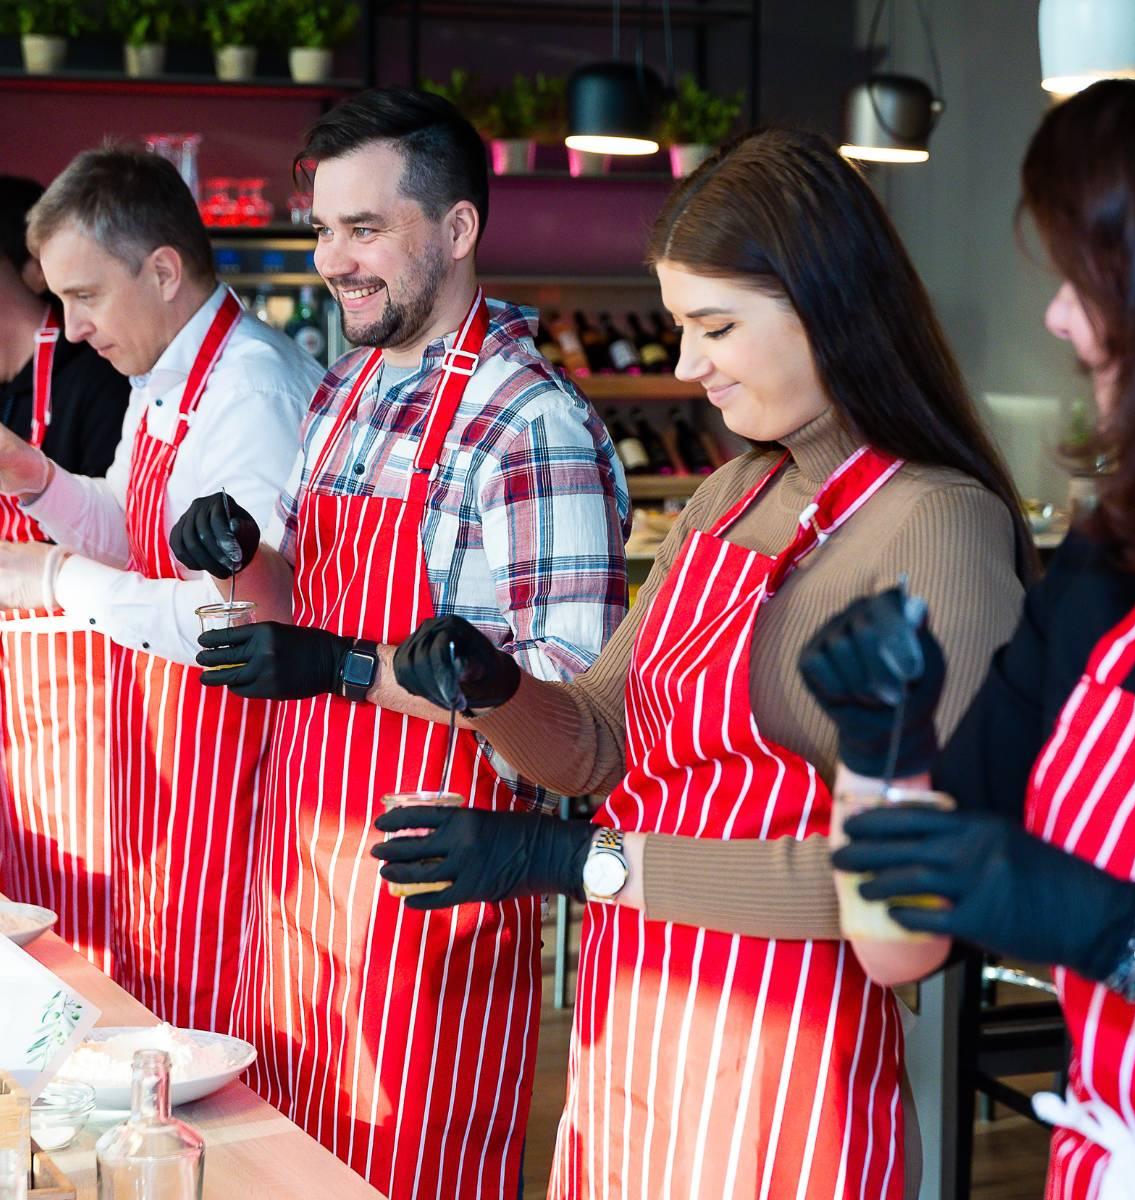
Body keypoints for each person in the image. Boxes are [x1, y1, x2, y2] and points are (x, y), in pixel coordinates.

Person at [370, 128, 1033, 1199]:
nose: (687, 368)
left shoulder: (939, 527)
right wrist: (493, 689)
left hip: (787, 1058)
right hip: (640, 1012)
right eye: (679, 329)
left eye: (715, 327)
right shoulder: (733, 496)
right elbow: (597, 738)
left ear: (829, 304)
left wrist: (576, 863)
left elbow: (911, 889)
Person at [168, 89, 629, 1198]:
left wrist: (339, 666)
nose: (335, 260)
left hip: (432, 895)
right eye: (324, 229)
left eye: (365, 229)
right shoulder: (350, 385)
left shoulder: (531, 422)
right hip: (304, 874)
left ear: (459, 229)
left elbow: (563, 715)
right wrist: (236, 558)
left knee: (405, 1170)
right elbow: (295, 606)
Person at [800, 41, 1135, 1200]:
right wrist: (881, 758)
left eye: (1096, 275)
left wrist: (1121, 932)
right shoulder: (1112, 566)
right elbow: (897, 946)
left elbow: (1106, 929)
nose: (1061, 316)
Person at [0, 146, 323, 1029]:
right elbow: (131, 525)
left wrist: (55, 578)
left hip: (240, 766)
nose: (68, 329)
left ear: (164, 269)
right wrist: (32, 475)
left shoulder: (251, 387)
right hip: (171, 764)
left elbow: (239, 615)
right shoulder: (161, 378)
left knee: (220, 1024)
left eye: (85, 295)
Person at [0, 174, 128, 968]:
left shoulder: (92, 379)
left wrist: (45, 571)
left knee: (82, 956)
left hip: (84, 733)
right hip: (14, 729)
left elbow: (126, 547)